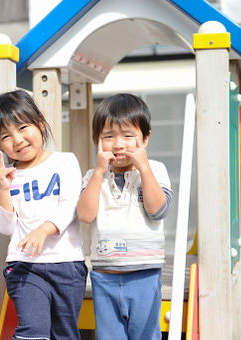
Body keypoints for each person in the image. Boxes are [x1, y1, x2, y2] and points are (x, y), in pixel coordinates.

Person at [0, 90, 87, 340]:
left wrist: (44, 229)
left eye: (23, 128)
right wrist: (3, 189)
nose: (18, 139)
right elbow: (6, 227)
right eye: (6, 136)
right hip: (24, 265)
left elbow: (71, 204)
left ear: (40, 123)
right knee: (33, 330)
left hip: (67, 263)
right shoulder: (4, 177)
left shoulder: (65, 162)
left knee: (65, 333)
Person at [77, 93, 172, 340]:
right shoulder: (92, 177)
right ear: (97, 141)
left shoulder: (155, 170)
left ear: (146, 138)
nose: (118, 145)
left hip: (145, 274)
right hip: (104, 276)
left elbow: (158, 210)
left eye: (129, 136)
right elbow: (85, 216)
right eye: (108, 137)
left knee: (146, 335)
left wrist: (144, 168)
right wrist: (98, 172)